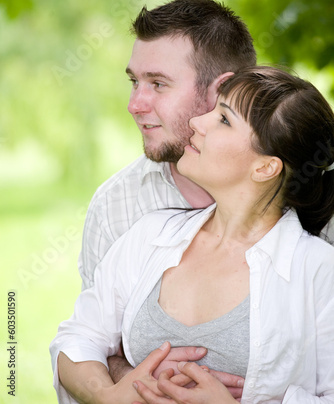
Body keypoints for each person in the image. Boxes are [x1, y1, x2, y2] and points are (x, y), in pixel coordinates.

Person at [50, 66, 334, 404]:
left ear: (265, 168)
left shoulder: (319, 272)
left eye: (224, 120)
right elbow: (78, 337)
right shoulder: (151, 235)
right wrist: (110, 396)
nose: (197, 122)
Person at [79, 0, 257, 393]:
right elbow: (92, 338)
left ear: (223, 89)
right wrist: (138, 382)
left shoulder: (309, 204)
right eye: (134, 81)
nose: (134, 104)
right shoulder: (116, 205)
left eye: (157, 84)